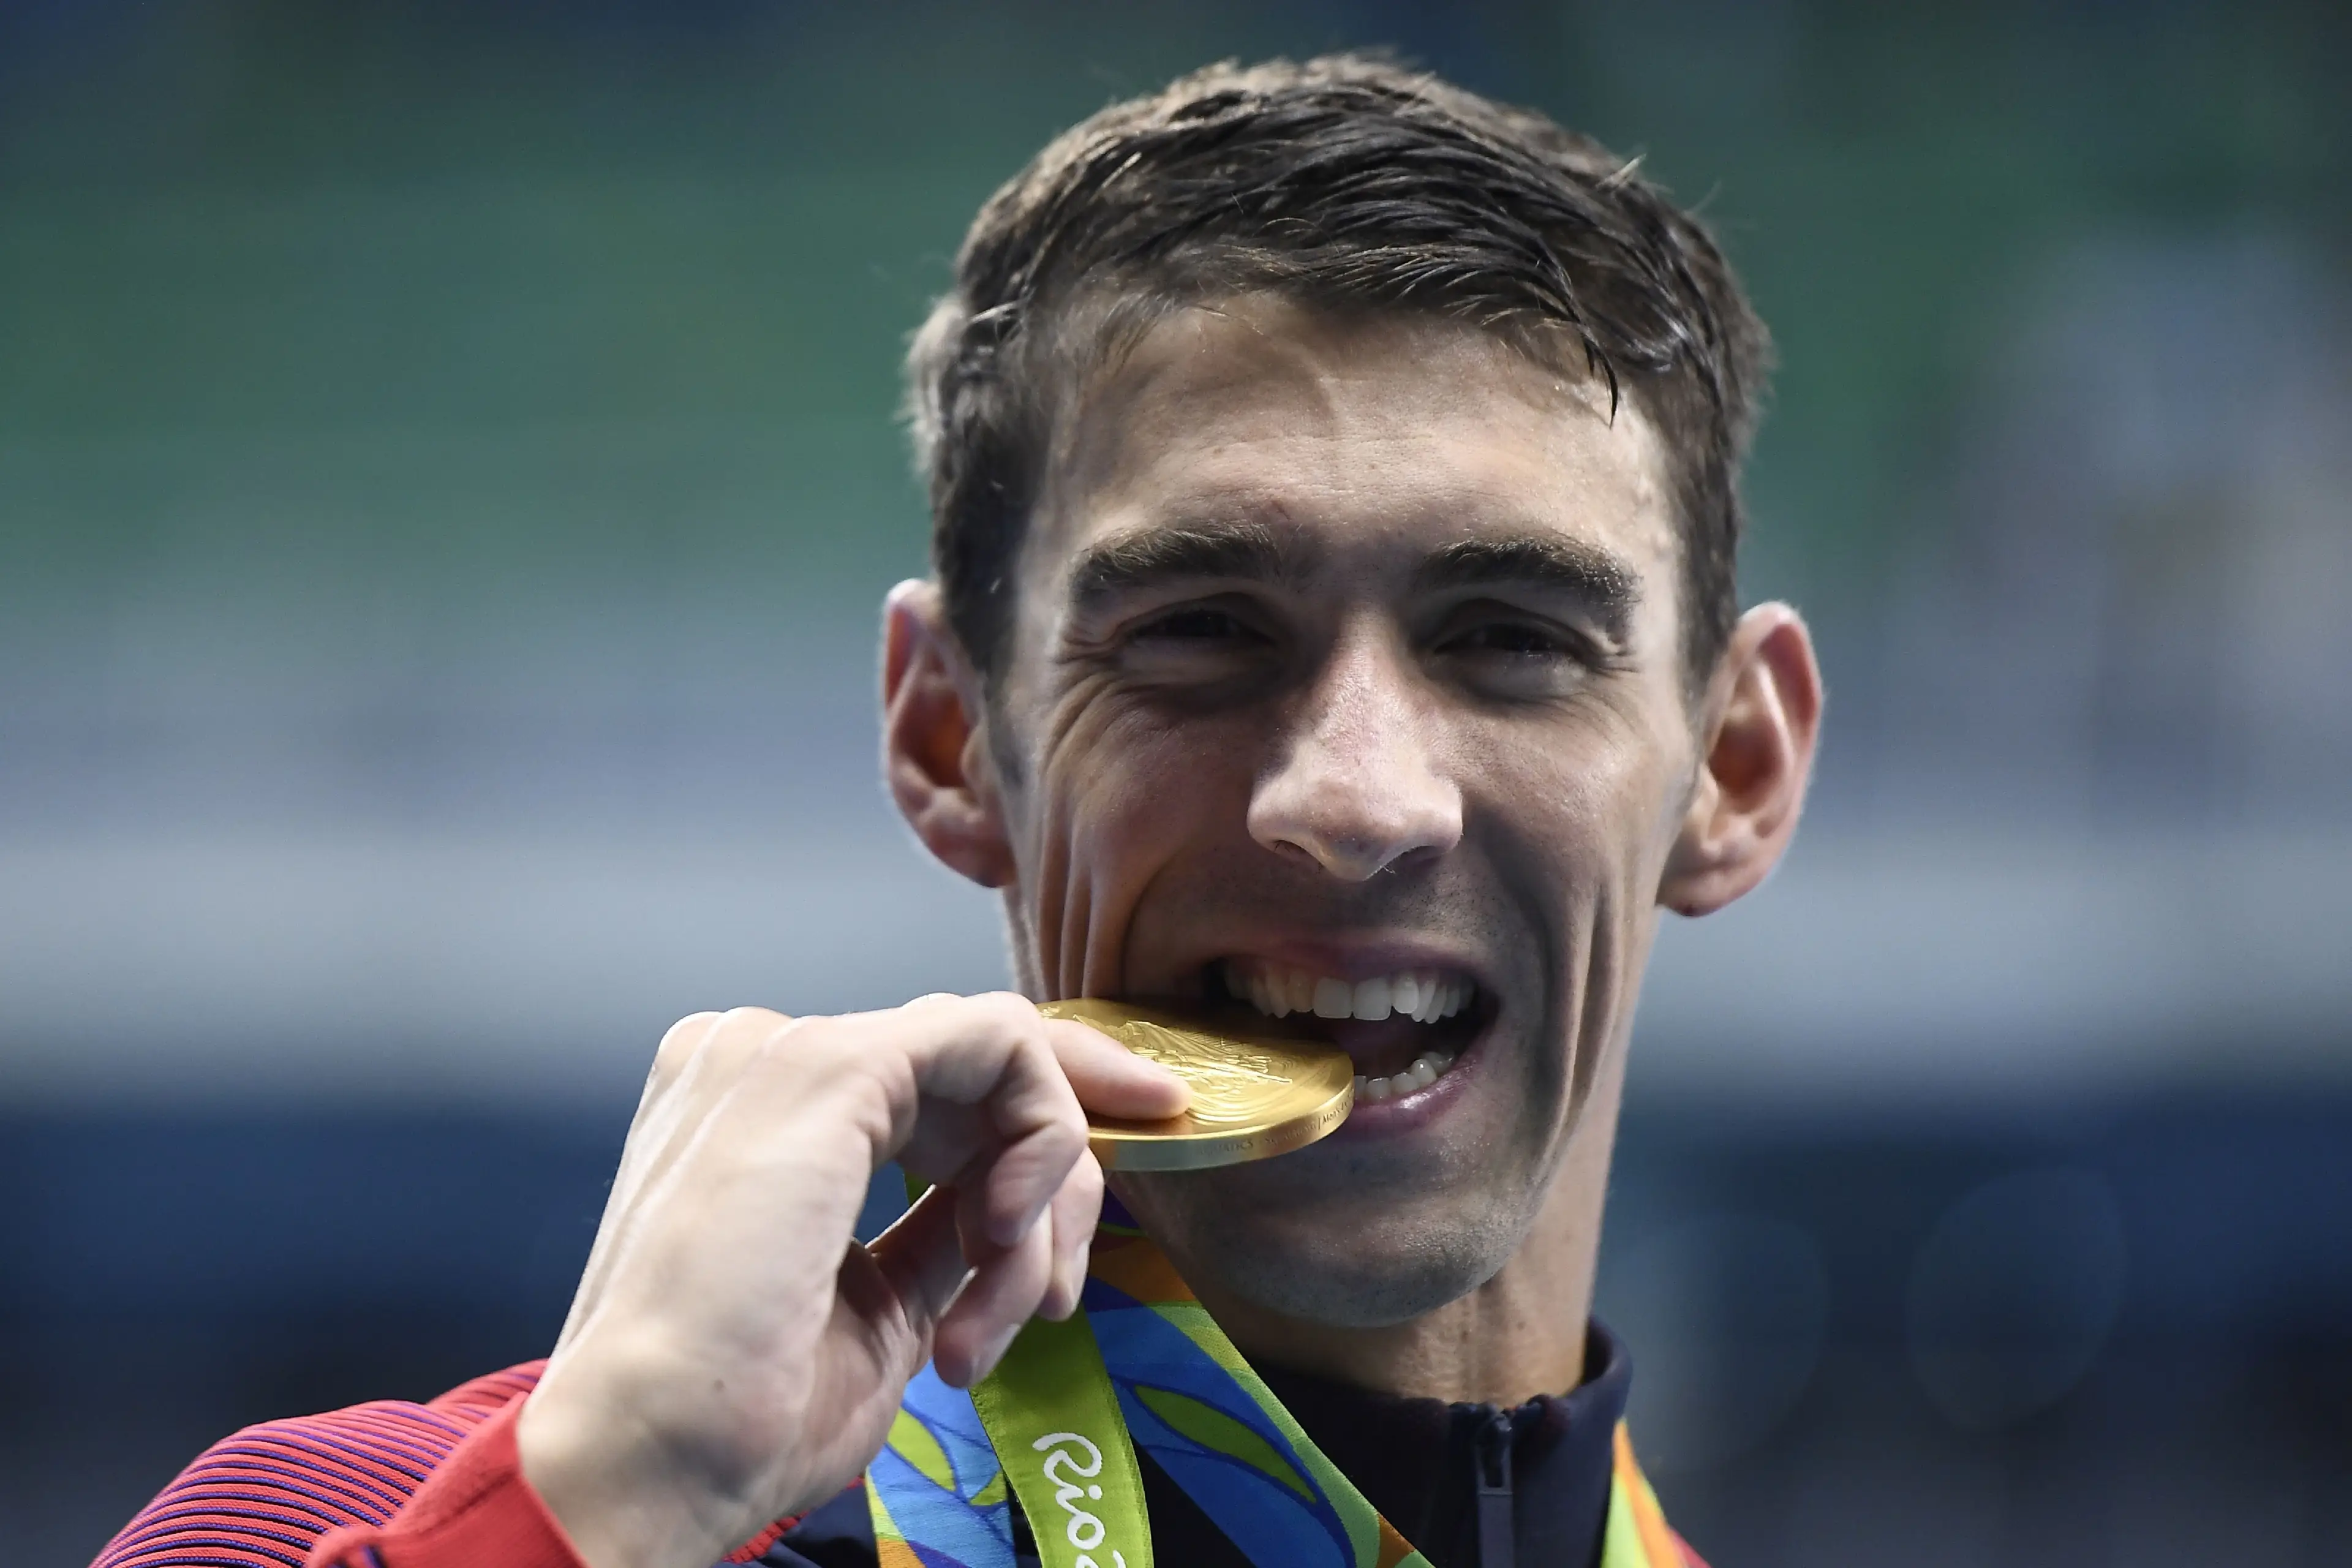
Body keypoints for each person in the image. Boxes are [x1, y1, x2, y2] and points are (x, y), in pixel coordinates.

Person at [96, 53, 1819, 1568]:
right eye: (1201, 634)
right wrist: (610, 1511)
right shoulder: (400, 1527)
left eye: (1510, 640)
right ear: (948, 735)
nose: (1357, 798)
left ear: (1733, 771)